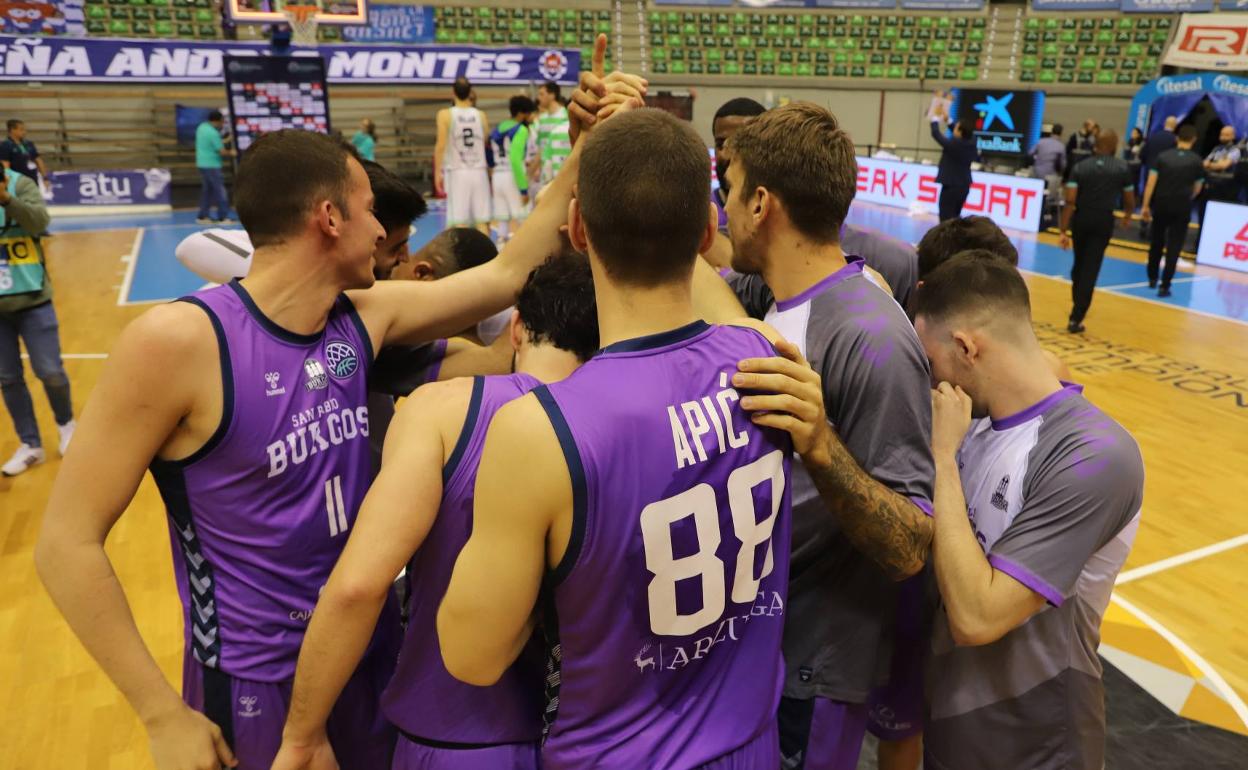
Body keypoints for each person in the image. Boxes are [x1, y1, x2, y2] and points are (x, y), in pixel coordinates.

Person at [34, 90, 606, 770]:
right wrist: (160, 713)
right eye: (368, 212)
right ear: (329, 217)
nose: (380, 234)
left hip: (363, 645)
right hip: (258, 681)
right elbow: (65, 543)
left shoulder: (360, 316)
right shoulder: (178, 341)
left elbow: (509, 275)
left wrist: (587, 146)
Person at [438, 106, 794, 768]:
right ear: (705, 232)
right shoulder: (767, 358)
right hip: (751, 744)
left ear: (577, 229)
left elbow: (471, 656)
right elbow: (723, 309)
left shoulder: (540, 428)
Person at [272, 254, 598, 770]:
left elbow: (358, 586)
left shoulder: (444, 410)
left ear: (516, 328)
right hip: (604, 736)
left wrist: (301, 734)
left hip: (461, 733)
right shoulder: (635, 419)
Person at [722, 102, 935, 770]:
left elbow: (908, 546)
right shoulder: (771, 298)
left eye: (726, 189)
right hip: (761, 646)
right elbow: (680, 273)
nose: (720, 207)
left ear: (760, 203)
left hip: (812, 670)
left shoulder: (870, 336)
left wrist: (821, 445)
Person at [914, 251, 1143, 770]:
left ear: (966, 347)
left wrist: (942, 462)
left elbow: (977, 617)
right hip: (952, 727)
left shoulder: (1094, 456)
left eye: (931, 361)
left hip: (1037, 749)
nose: (930, 380)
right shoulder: (976, 422)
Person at [0, 158, 74, 476]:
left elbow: (38, 222)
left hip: (33, 299)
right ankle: (30, 445)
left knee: (50, 371)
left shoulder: (21, 184)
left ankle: (66, 425)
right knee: (8, 379)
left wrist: (7, 200)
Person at [1059, 131, 1135, 334]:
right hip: (1103, 220)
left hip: (1081, 219)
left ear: (1095, 145)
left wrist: (1063, 230)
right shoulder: (1122, 168)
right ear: (1115, 146)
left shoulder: (1081, 167)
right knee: (1091, 268)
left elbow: (1070, 200)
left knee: (1079, 265)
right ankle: (1077, 316)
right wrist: (1127, 215)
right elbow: (1129, 198)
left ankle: (1078, 305)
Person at [1142, 124, 1204, 297]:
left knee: (1157, 241)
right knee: (1175, 245)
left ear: (1177, 138)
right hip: (1182, 205)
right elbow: (1198, 187)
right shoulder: (1196, 160)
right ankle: (1165, 285)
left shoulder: (1163, 157)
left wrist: (1146, 205)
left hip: (1161, 203)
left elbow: (1150, 182)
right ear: (1193, 139)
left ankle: (1152, 277)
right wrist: (1189, 196)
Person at [435, 77, 491, 235]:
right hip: (479, 171)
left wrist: (438, 173)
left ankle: (461, 259)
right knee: (482, 221)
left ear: (453, 92)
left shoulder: (445, 114)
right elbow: (486, 139)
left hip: (458, 171)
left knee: (458, 222)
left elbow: (440, 145)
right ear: (470, 92)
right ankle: (486, 257)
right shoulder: (481, 115)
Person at [490, 95, 536, 243]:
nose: (531, 116)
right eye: (529, 113)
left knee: (503, 218)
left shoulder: (498, 128)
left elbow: (489, 153)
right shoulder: (521, 129)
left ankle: (500, 247)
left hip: (497, 176)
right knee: (523, 217)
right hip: (512, 177)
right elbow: (515, 160)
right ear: (522, 114)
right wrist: (523, 189)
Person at [930, 110, 979, 222]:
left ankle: (946, 239)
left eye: (956, 127)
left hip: (951, 186)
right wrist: (948, 121)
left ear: (960, 132)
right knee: (955, 218)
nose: (954, 129)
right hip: (964, 186)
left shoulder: (954, 144)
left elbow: (936, 134)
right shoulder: (972, 141)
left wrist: (934, 118)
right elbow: (961, 133)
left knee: (945, 218)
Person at [531, 81, 571, 202]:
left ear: (552, 95)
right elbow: (541, 148)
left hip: (564, 171)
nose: (539, 98)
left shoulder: (566, 116)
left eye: (542, 94)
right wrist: (535, 169)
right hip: (547, 173)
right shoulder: (541, 119)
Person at [195, 110, 234, 225]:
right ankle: (223, 217)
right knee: (220, 191)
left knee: (208, 191)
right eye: (222, 121)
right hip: (212, 165)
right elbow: (221, 151)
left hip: (202, 164)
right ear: (219, 121)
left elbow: (210, 143)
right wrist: (233, 152)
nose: (223, 124)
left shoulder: (202, 128)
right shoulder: (213, 133)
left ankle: (202, 216)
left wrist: (227, 139)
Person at [0, 119, 49, 191]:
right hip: (17, 182)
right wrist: (9, 182)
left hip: (32, 180)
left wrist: (45, 178)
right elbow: (5, 165)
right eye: (21, 130)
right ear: (12, 130)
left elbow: (38, 161)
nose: (24, 132)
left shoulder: (29, 143)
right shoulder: (6, 145)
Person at [1202, 125, 1240, 216]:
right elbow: (1204, 163)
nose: (1223, 137)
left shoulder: (1235, 150)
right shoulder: (1216, 149)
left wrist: (1210, 165)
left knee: (1219, 213)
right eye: (1222, 134)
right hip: (1211, 183)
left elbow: (1223, 165)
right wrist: (1215, 164)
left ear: (1233, 136)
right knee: (1204, 210)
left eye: (1226, 135)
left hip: (1225, 186)